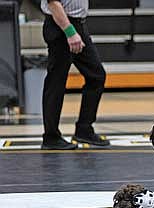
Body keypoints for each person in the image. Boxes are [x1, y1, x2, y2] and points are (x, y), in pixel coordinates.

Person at [40, 0, 110, 150]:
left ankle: (84, 128)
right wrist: (70, 32)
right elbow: (53, 3)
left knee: (96, 76)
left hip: (78, 25)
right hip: (61, 26)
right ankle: (51, 136)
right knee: (56, 82)